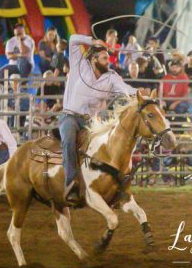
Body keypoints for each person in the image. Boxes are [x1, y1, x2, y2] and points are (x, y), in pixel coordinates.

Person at [60, 34, 142, 206]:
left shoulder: (111, 76)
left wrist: (141, 95)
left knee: (110, 144)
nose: (108, 61)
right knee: (68, 141)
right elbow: (73, 39)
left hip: (92, 121)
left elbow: (125, 89)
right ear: (94, 58)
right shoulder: (79, 65)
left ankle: (114, 187)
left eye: (108, 59)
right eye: (105, 58)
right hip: (70, 116)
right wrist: (92, 41)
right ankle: (71, 184)